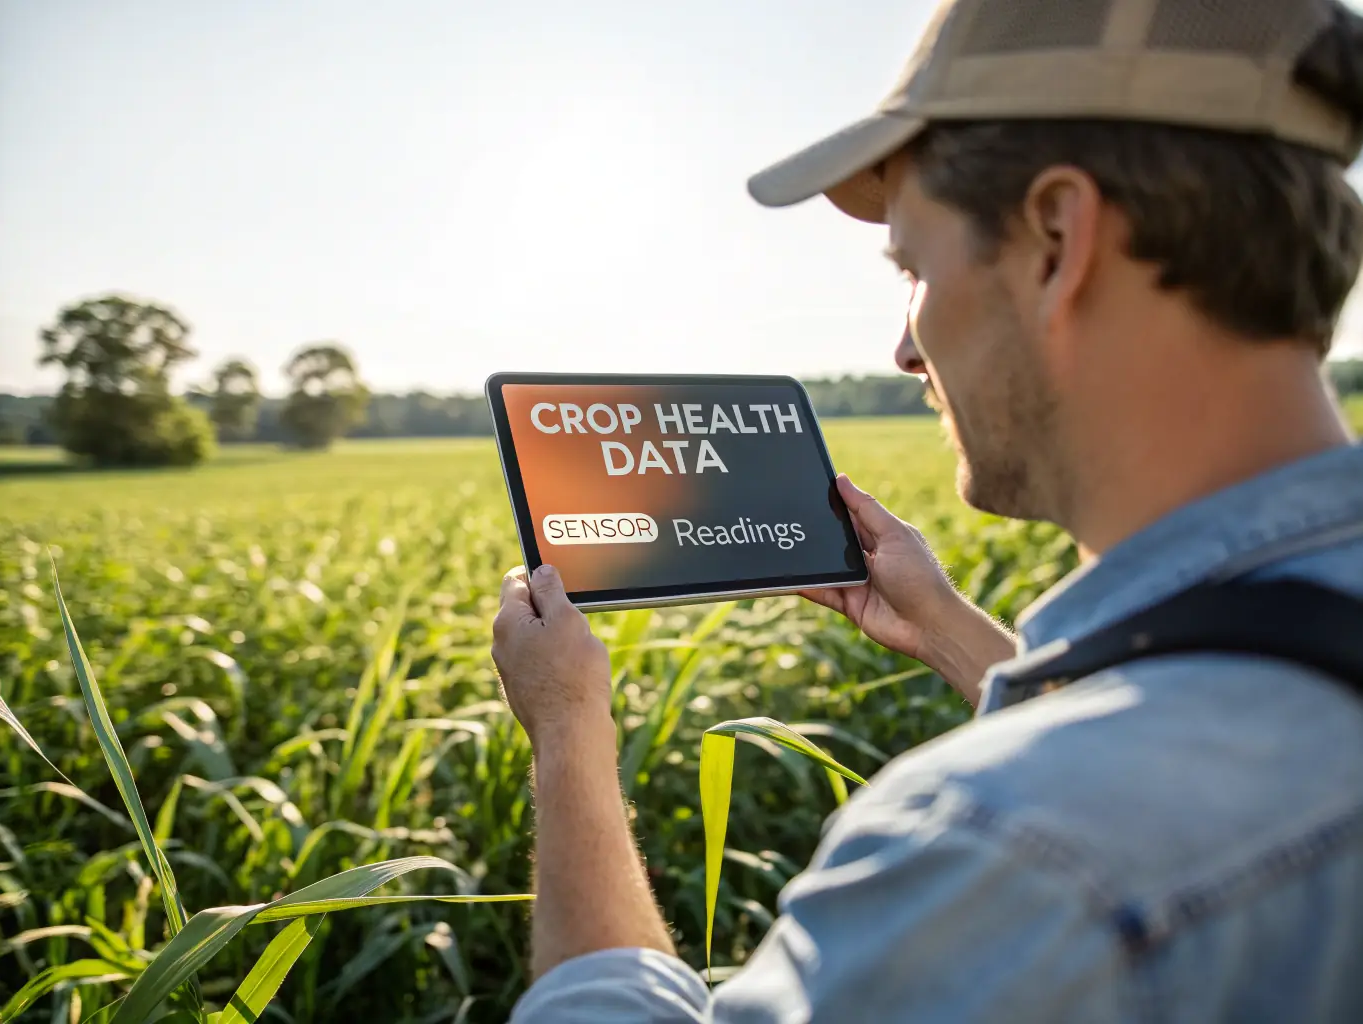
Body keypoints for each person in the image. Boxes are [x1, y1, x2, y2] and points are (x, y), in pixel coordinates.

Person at [492, 0, 1363, 1019]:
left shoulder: (1007, 849)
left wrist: (567, 731)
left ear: (1055, 239)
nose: (905, 350)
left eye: (912, 266)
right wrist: (950, 629)